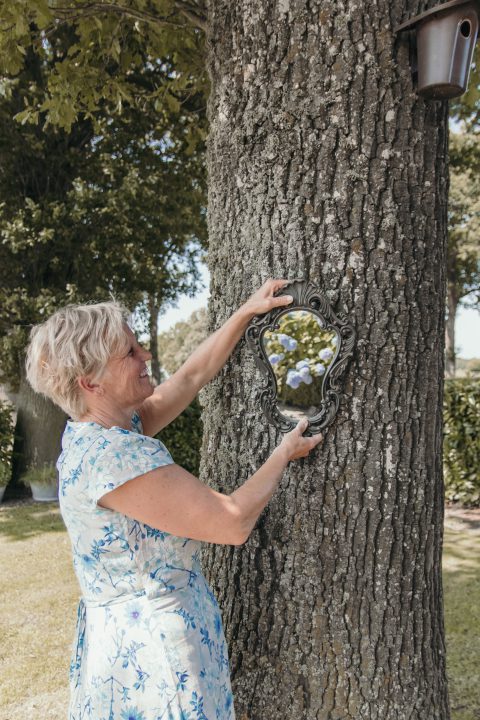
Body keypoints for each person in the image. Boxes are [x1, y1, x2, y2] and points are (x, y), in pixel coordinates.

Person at [25, 278, 323, 720]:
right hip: (153, 653)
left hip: (132, 638)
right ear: (90, 382)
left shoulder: (100, 431)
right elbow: (233, 521)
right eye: (129, 353)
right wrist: (284, 452)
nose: (145, 356)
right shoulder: (114, 458)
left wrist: (244, 314)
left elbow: (189, 378)